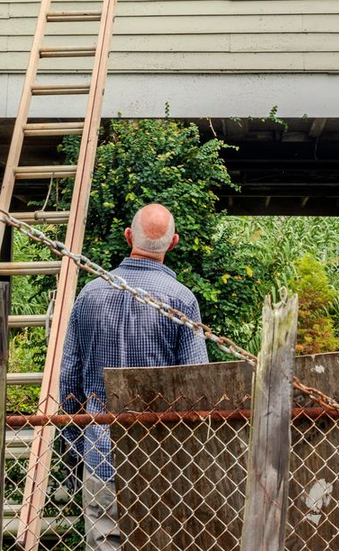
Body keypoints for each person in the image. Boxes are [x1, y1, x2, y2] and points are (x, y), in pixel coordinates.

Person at [58, 203, 207, 549]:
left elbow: (68, 383)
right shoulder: (181, 301)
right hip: (164, 459)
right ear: (173, 243)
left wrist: (81, 447)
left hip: (101, 450)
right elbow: (199, 388)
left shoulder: (89, 295)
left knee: (104, 543)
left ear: (128, 237)